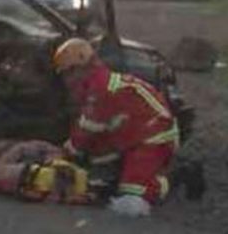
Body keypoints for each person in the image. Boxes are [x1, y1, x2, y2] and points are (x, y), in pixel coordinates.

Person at [53, 38, 179, 217]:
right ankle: (115, 178)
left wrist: (65, 153)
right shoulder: (99, 84)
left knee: (133, 199)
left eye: (67, 74)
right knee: (102, 170)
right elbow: (95, 133)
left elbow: (86, 131)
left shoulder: (101, 90)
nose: (66, 80)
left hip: (154, 137)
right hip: (131, 135)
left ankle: (174, 178)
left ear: (78, 69)